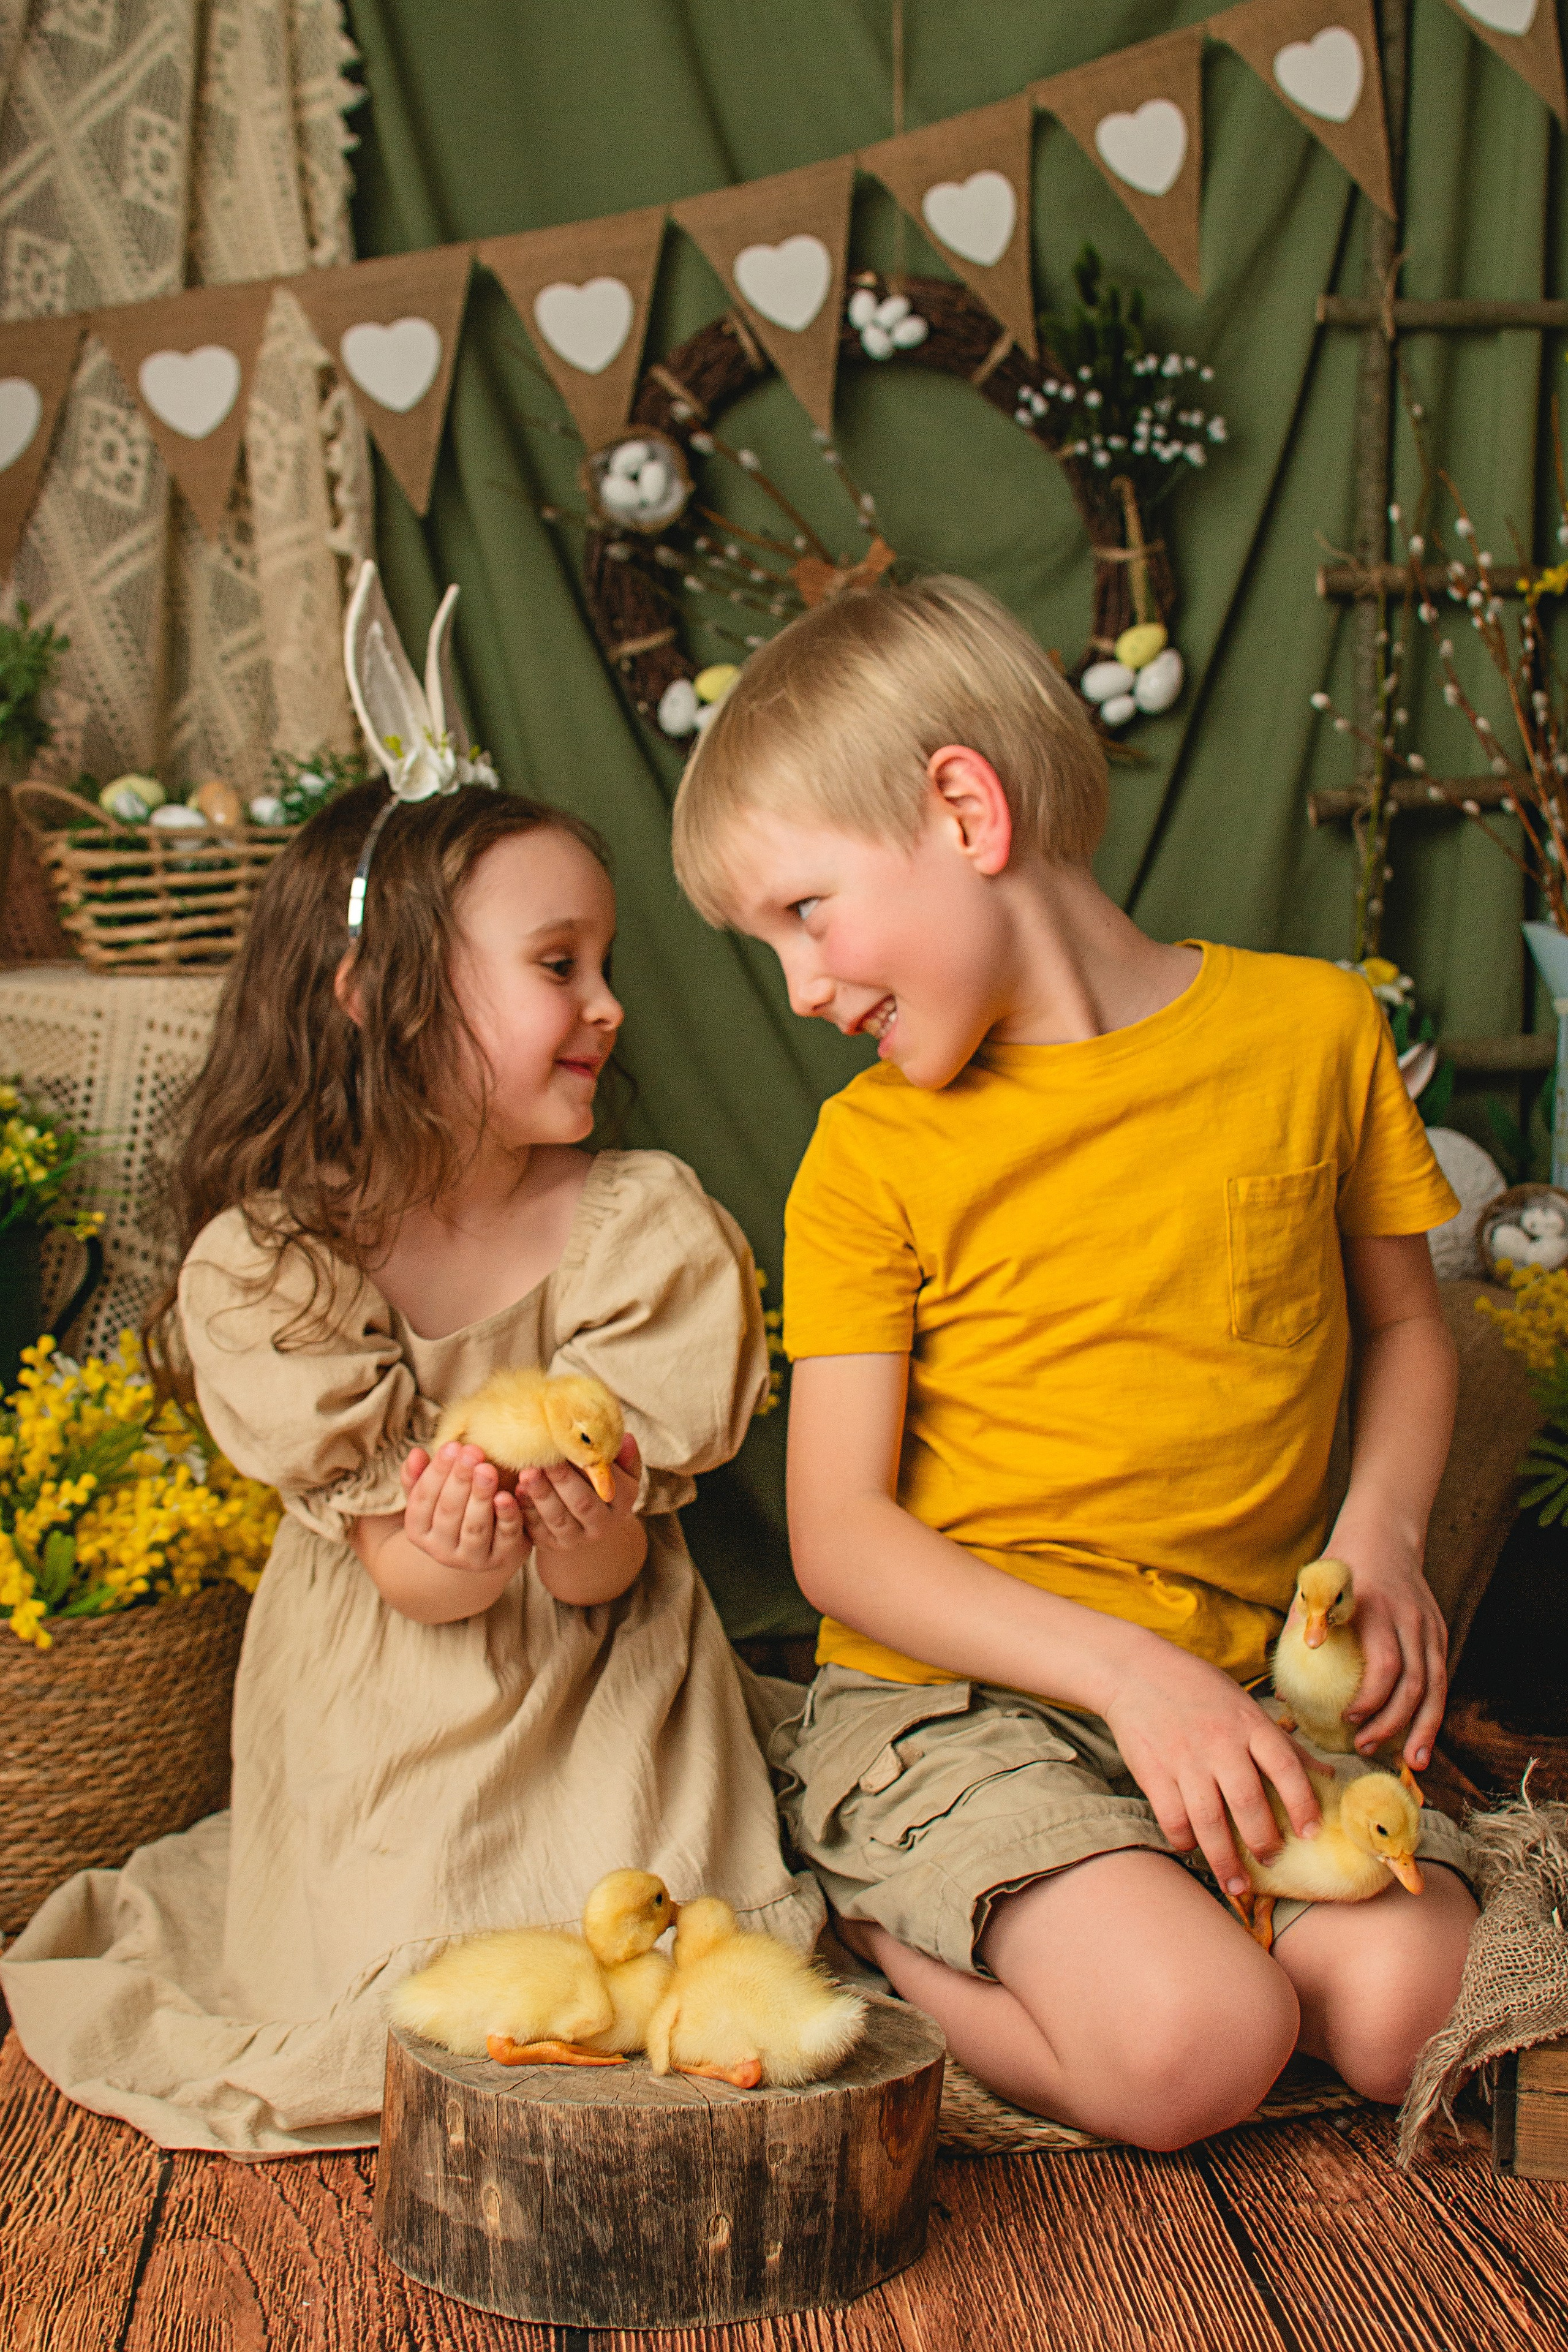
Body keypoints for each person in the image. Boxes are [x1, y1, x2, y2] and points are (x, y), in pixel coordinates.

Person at [1, 577, 820, 2157]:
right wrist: (450, 1537)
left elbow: (603, 1575)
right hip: (393, 1685)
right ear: (379, 996)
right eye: (559, 964)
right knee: (420, 1970)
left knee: (641, 1934)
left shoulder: (639, 1225)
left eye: (604, 963)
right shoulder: (278, 1264)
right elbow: (414, 1582)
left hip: (600, 1681)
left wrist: (577, 1517)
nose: (609, 1006)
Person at [669, 572, 1476, 2153]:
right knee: (1197, 2050)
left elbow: (1405, 1331)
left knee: (1412, 2008)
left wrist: (1381, 1537)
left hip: (1239, 1688)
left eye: (804, 913)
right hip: (964, 1705)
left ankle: (1141, 1917)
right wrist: (1128, 1678)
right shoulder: (866, 1157)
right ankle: (884, 1929)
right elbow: (839, 1537)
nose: (803, 989)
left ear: (965, 811)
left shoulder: (1315, 1033)